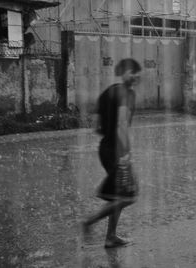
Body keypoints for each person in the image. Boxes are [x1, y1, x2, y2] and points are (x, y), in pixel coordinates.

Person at [83, 58, 142, 248]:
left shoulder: (108, 92)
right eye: (132, 72)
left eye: (137, 73)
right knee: (128, 196)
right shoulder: (127, 94)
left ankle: (111, 237)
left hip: (105, 148)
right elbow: (121, 125)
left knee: (119, 195)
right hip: (117, 151)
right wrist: (125, 153)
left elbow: (96, 125)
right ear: (123, 72)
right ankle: (89, 222)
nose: (135, 76)